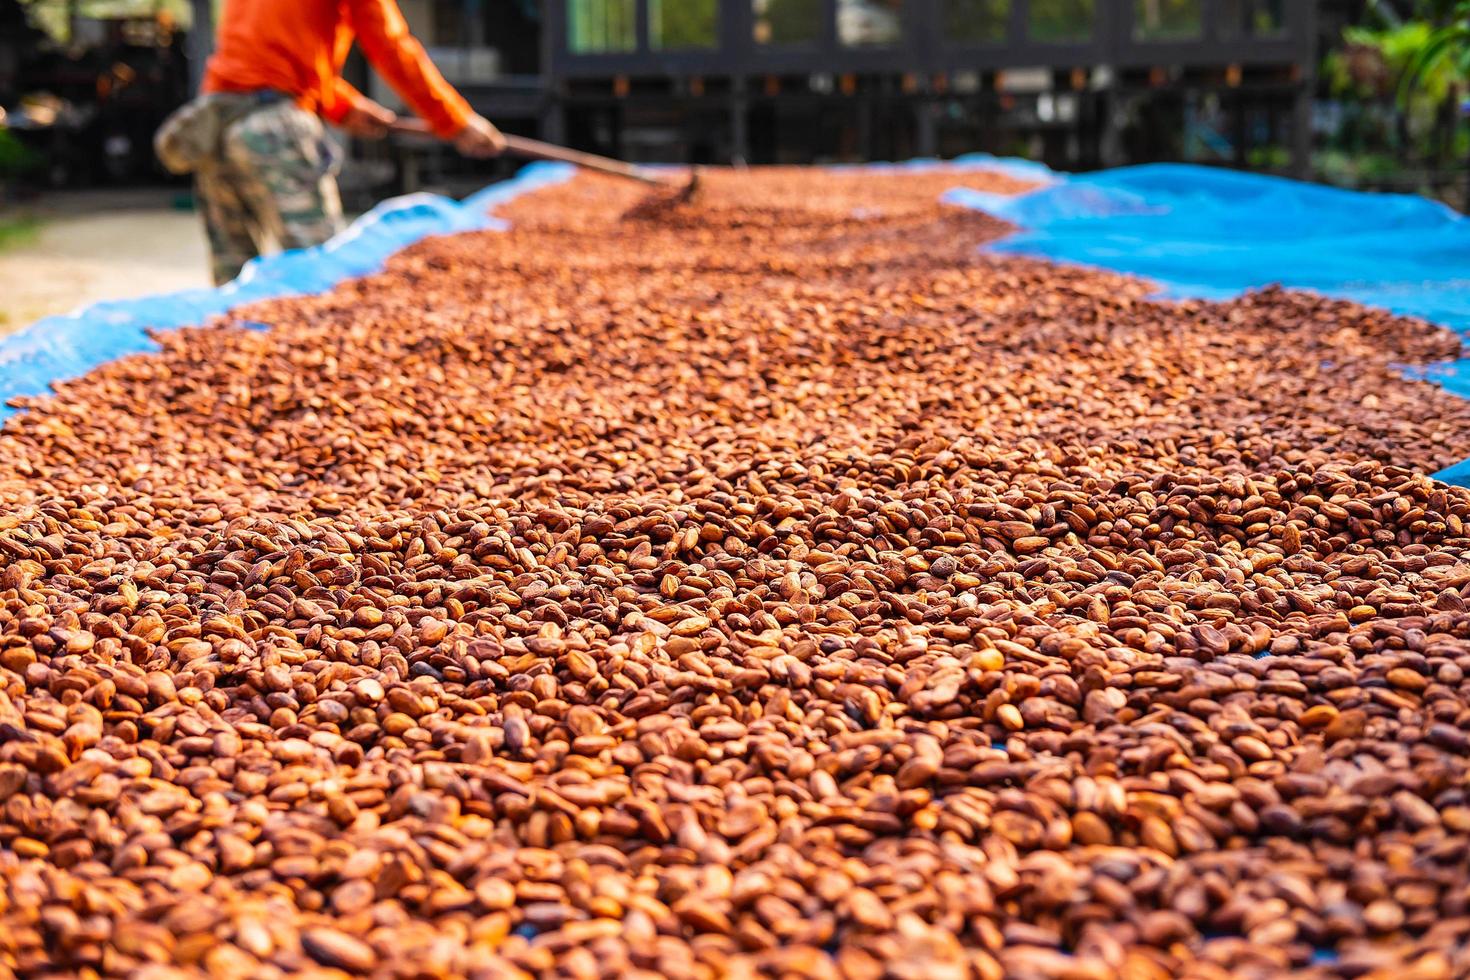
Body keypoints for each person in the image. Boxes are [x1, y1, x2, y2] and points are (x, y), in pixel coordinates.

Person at [156, 0, 506, 285]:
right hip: (273, 129)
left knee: (231, 278)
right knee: (321, 272)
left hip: (214, 124)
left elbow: (267, 59)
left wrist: (343, 107)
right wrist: (456, 121)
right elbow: (391, 44)